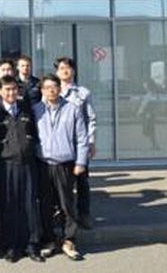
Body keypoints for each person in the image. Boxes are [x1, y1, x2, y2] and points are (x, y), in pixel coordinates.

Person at [33, 74, 89, 261]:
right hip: (43, 164)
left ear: (59, 88)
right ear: (42, 91)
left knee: (67, 204)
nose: (51, 90)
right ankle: (49, 240)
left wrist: (80, 162)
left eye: (54, 86)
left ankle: (69, 240)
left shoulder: (72, 109)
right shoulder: (36, 110)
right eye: (47, 87)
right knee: (45, 204)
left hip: (65, 164)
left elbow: (82, 138)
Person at [0, 76, 43, 263]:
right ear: (0, 92)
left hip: (28, 164)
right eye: (7, 89)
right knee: (9, 206)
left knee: (29, 204)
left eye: (14, 89)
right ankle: (11, 246)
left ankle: (32, 245)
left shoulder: (27, 110)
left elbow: (35, 135)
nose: (11, 93)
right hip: (5, 166)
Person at [55, 57, 96, 230]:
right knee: (62, 182)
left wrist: (91, 141)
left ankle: (83, 214)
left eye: (68, 68)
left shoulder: (83, 93)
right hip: (60, 144)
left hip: (80, 143)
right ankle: (62, 213)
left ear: (73, 71)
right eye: (61, 68)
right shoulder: (53, 91)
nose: (65, 71)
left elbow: (91, 118)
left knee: (82, 181)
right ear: (57, 72)